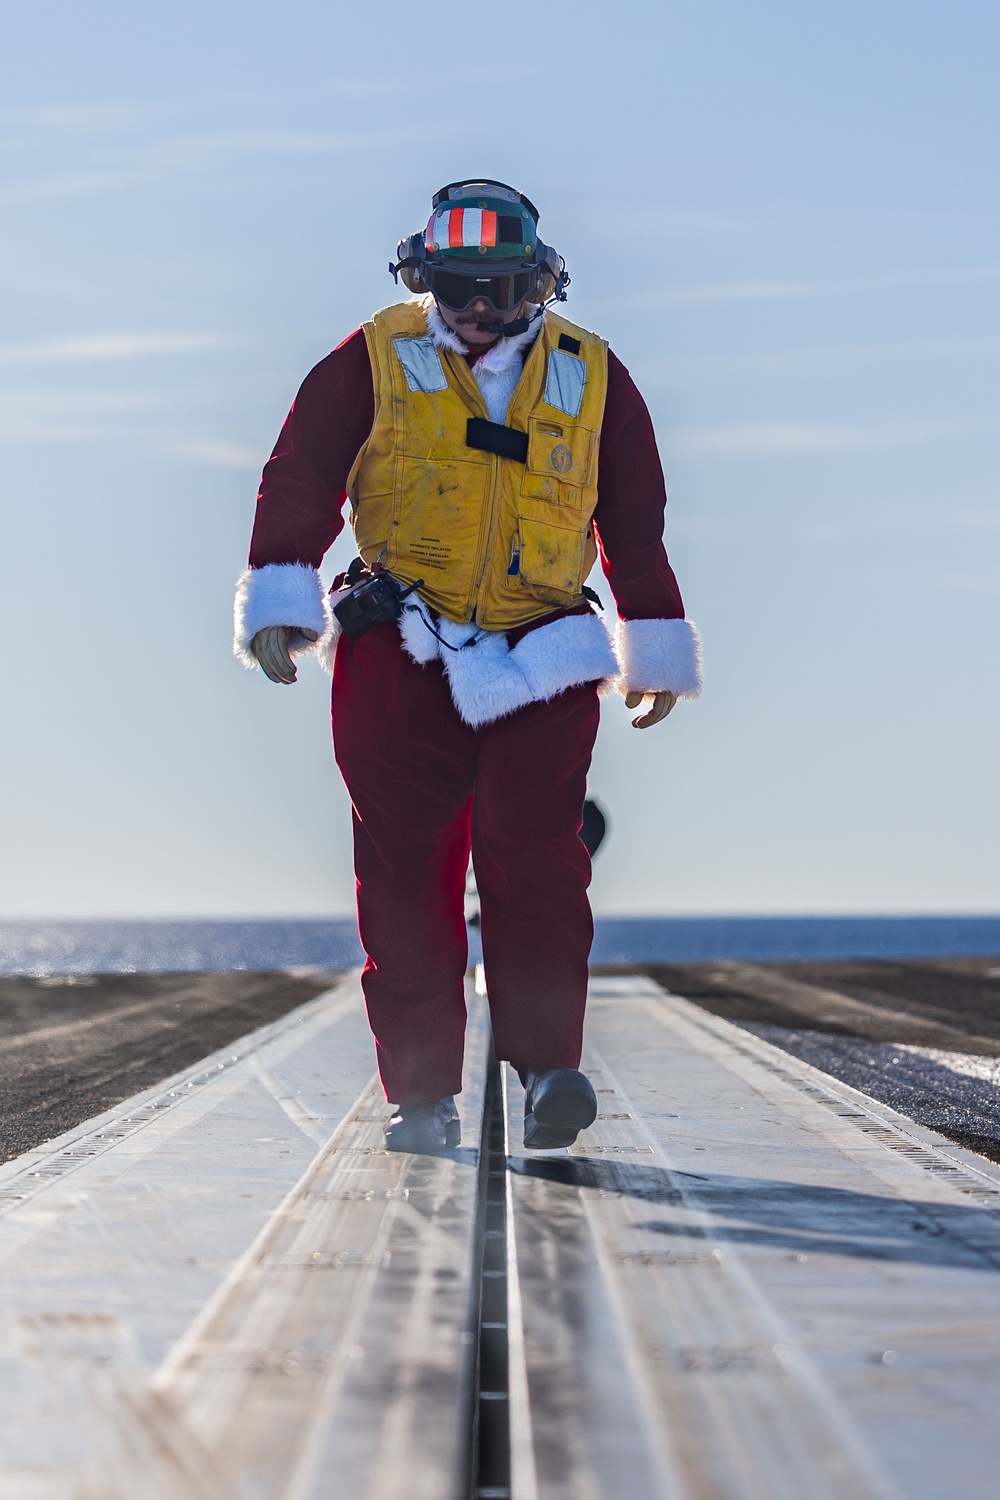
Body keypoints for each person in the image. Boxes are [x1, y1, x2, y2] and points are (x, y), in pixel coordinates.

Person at [234, 179, 702, 1153]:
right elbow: (300, 477)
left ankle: (547, 1072)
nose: (479, 307)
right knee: (405, 873)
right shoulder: (369, 361)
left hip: (546, 658)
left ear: (541, 285)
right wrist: (280, 603)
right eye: (457, 286)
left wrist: (651, 642)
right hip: (397, 651)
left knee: (538, 864)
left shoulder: (595, 376)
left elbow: (635, 524)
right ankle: (420, 1097)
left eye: (499, 287)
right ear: (423, 279)